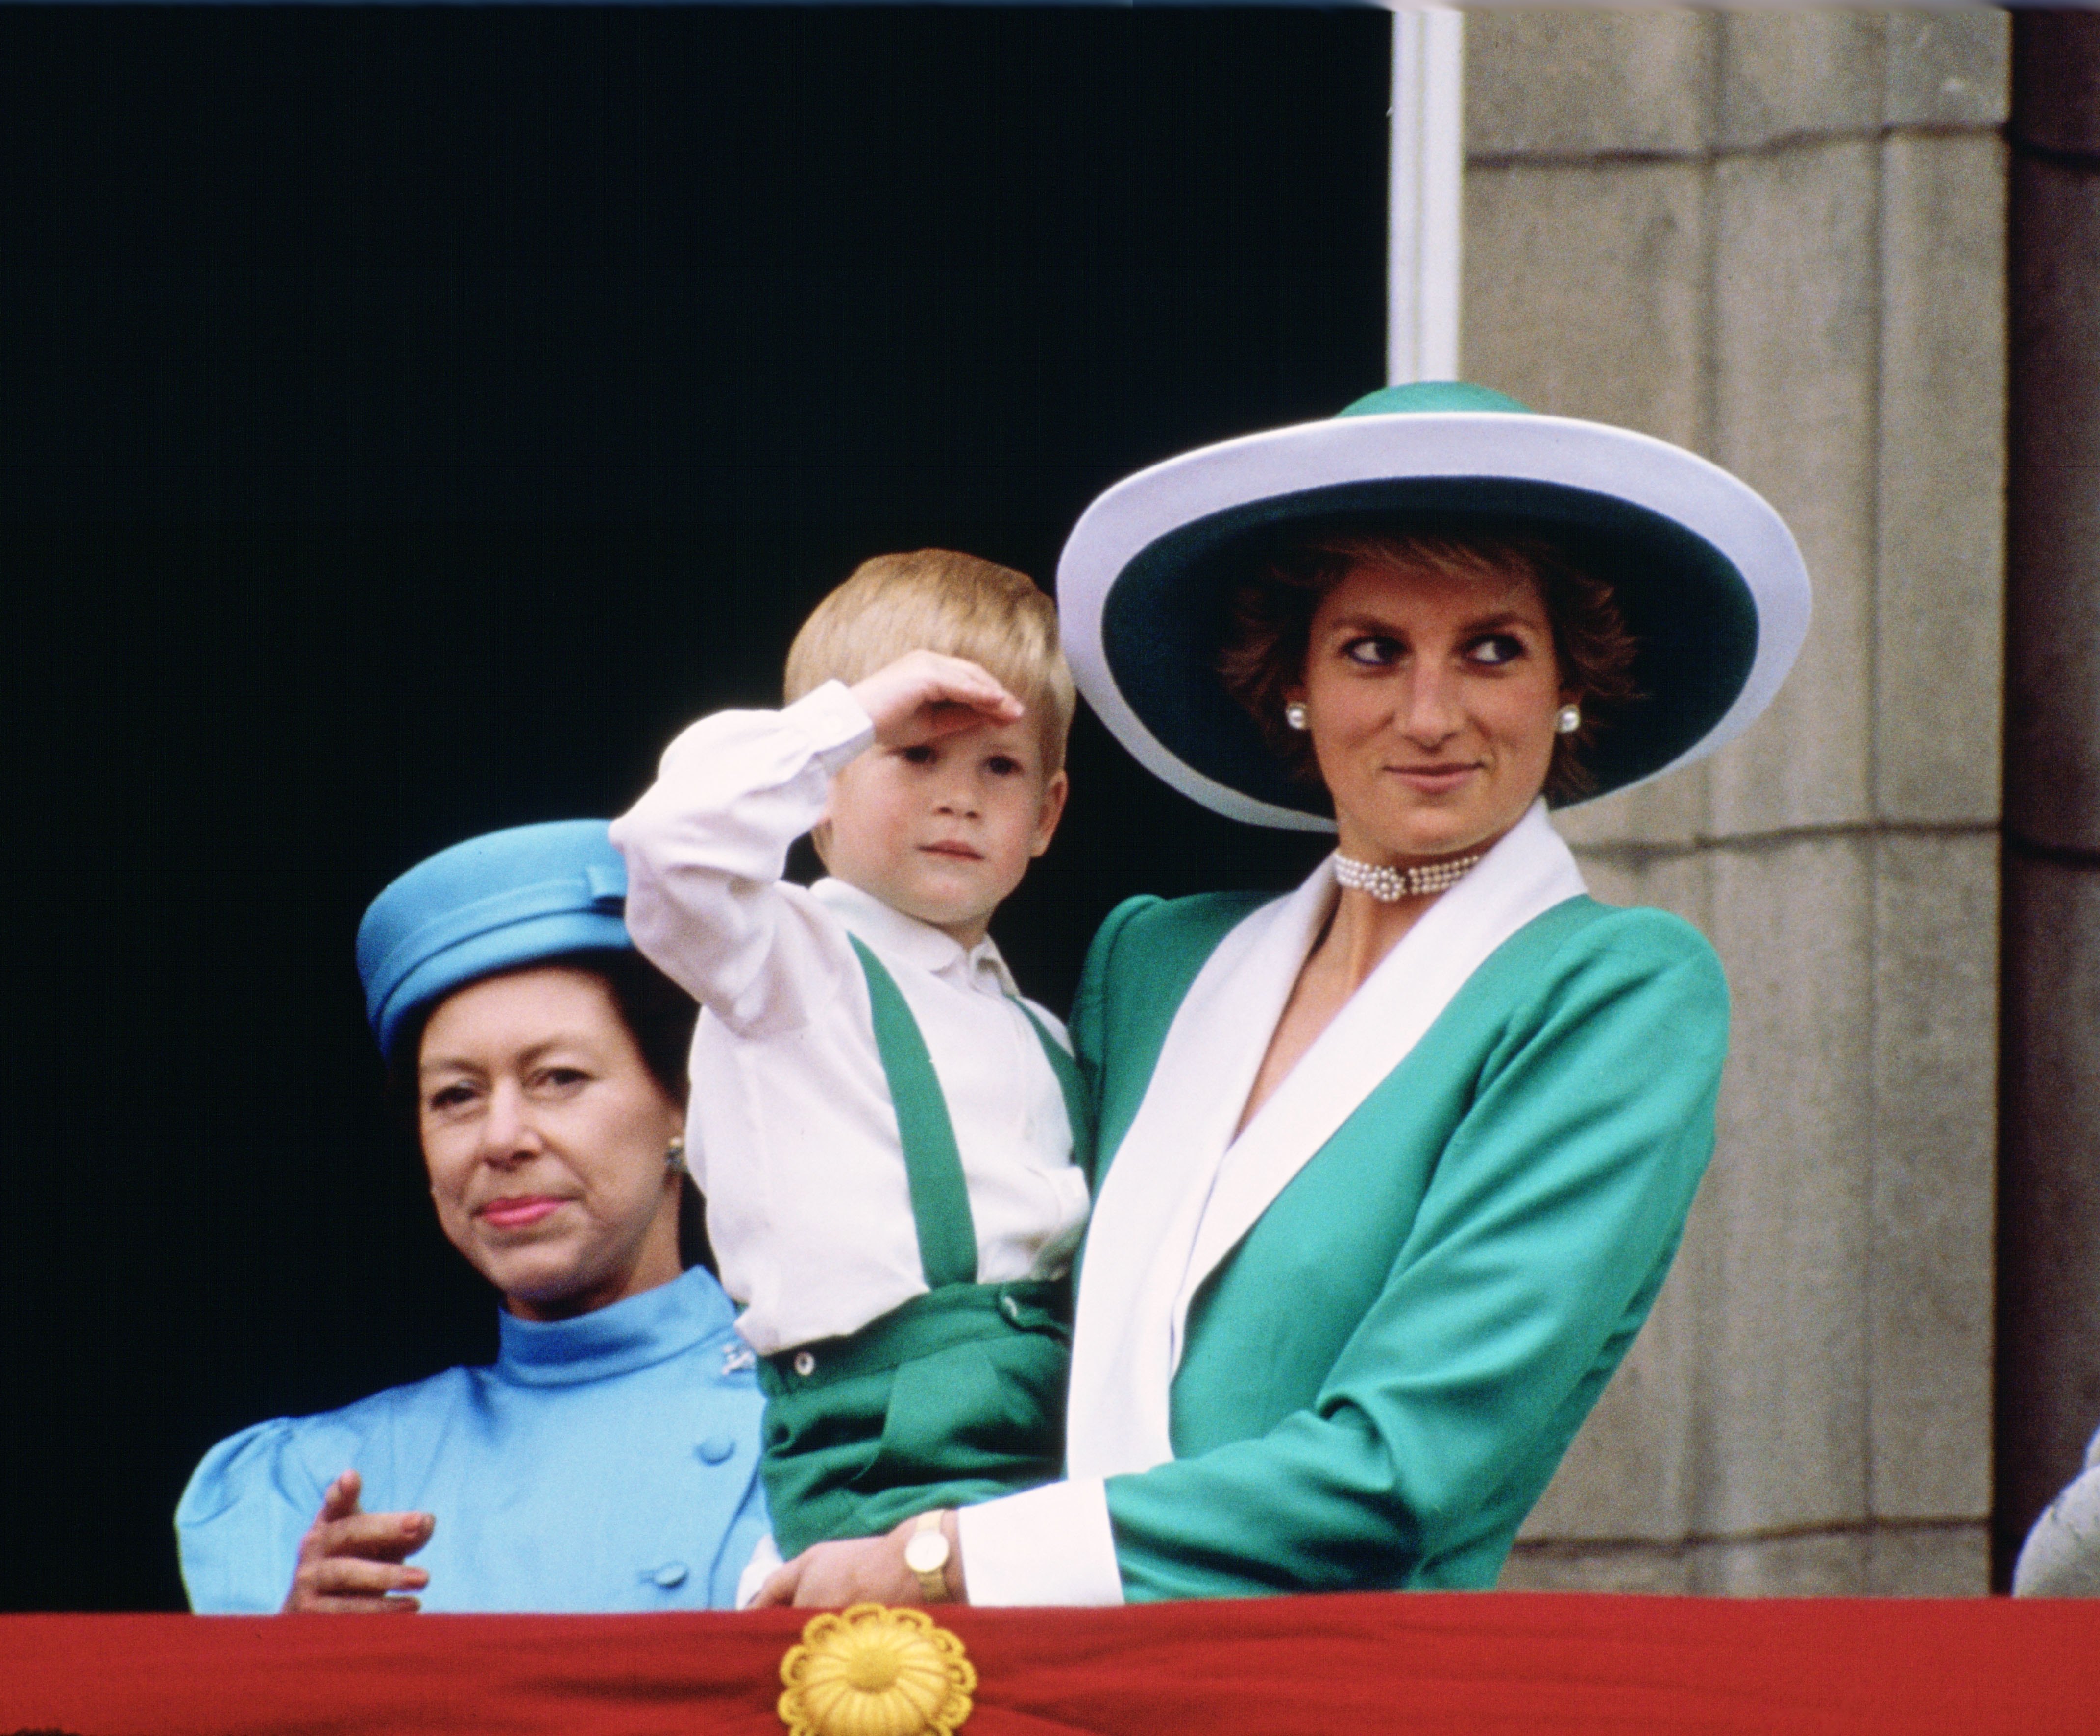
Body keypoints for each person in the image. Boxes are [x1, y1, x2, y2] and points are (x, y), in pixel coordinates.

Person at [756, 379, 1810, 1606]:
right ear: (1294, 682)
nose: (1431, 712)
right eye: (1374, 649)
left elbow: (1403, 1470)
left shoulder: (1611, 992)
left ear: (1568, 682)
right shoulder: (1152, 963)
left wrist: (948, 1558)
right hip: (1034, 1694)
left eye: (1493, 648)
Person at [609, 549, 1086, 1586]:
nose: (959, 800)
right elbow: (667, 843)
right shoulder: (783, 964)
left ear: (1047, 814)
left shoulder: (1045, 1033)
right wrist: (853, 716)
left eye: (997, 768)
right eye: (918, 756)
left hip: (1050, 1456)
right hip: (879, 1453)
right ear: (815, 794)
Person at [174, 821, 772, 1612]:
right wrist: (294, 1660)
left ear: (684, 1105)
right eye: (456, 1097)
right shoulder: (313, 1482)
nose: (501, 1140)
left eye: (559, 1078)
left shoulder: (837, 1417)